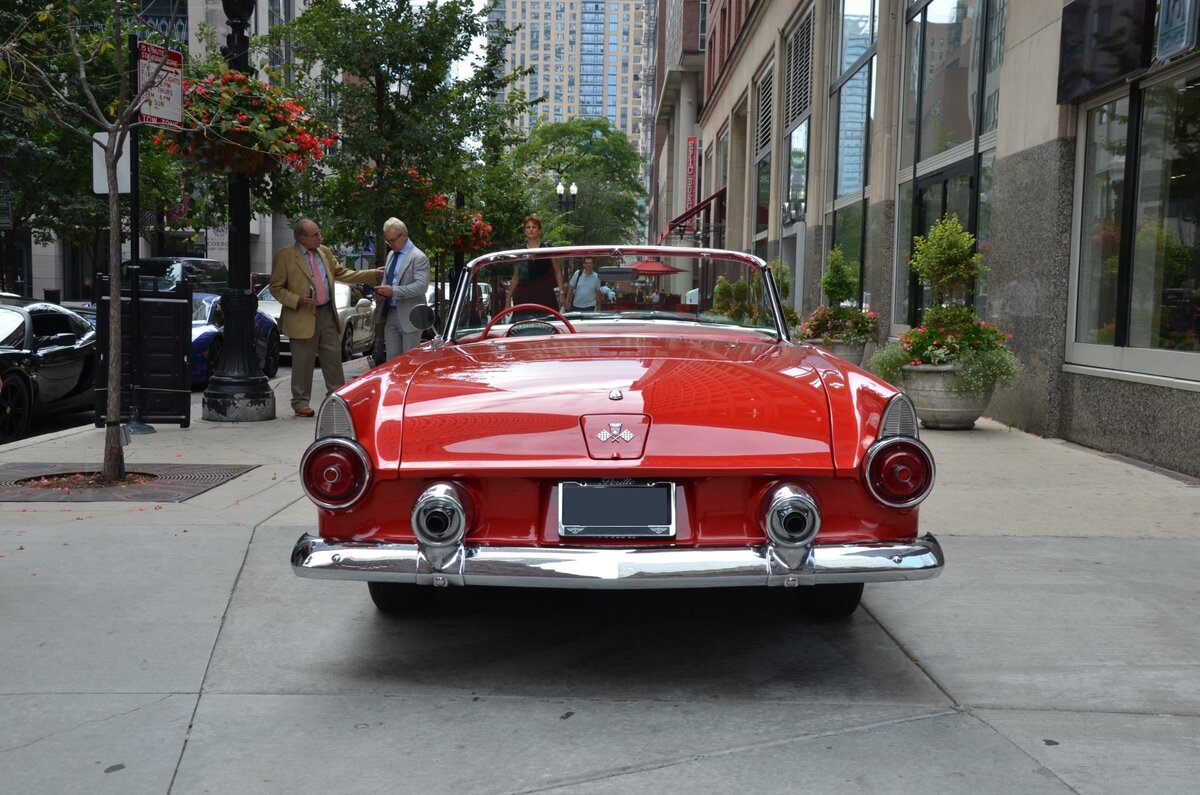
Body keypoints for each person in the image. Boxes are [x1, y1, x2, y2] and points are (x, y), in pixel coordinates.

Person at [269, 218, 382, 417]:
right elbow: (276, 288)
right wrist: (296, 299)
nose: (320, 237)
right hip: (302, 315)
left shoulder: (325, 252)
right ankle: (300, 402)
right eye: (315, 234)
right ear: (302, 238)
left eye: (319, 232)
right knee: (303, 362)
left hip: (327, 313)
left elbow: (343, 273)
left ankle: (337, 396)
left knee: (333, 359)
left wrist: (371, 274)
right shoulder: (285, 256)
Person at [373, 217, 431, 361]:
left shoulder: (418, 257)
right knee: (392, 362)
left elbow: (421, 286)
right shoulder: (391, 254)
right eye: (387, 241)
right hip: (390, 313)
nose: (390, 244)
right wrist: (381, 293)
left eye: (392, 240)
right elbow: (388, 280)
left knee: (410, 361)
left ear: (404, 236)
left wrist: (393, 291)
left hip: (410, 316)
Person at [506, 214, 564, 317]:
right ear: (524, 231)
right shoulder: (520, 251)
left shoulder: (548, 248)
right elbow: (516, 277)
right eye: (528, 227)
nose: (531, 230)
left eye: (534, 227)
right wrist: (508, 299)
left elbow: (558, 271)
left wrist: (561, 292)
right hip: (524, 297)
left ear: (539, 230)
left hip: (545, 296)